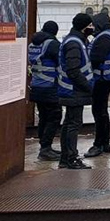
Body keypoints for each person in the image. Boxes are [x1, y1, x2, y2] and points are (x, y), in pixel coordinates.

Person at [57, 13, 94, 169]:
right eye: (90, 25)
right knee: (73, 124)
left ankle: (65, 158)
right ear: (83, 26)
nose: (92, 28)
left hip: (70, 89)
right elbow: (74, 70)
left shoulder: (75, 40)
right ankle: (71, 158)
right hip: (74, 90)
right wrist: (88, 87)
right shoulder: (74, 43)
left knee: (69, 123)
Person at [84, 12, 110, 158]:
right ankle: (105, 142)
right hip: (105, 78)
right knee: (101, 111)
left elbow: (96, 57)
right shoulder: (107, 35)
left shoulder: (104, 37)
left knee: (99, 112)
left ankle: (99, 143)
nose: (92, 27)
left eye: (94, 24)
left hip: (101, 79)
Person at [28, 21, 62, 161]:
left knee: (43, 117)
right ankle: (45, 149)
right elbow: (61, 62)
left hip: (36, 86)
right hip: (50, 87)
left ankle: (44, 146)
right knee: (54, 117)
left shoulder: (33, 44)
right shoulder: (52, 44)